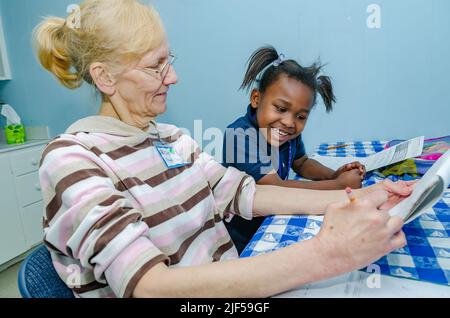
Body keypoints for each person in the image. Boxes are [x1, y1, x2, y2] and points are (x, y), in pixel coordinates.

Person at [34, 0, 411, 298]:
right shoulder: (72, 159)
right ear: (105, 76)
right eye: (156, 66)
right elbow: (148, 286)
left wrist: (357, 196)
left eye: (170, 61)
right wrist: (328, 254)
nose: (174, 77)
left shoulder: (173, 139)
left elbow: (245, 192)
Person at [222, 46, 366, 252]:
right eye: (281, 109)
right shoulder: (239, 136)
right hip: (243, 239)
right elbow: (276, 187)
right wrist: (337, 185)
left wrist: (333, 173)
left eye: (301, 116)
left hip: (275, 220)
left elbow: (303, 163)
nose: (290, 122)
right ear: (256, 99)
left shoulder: (286, 134)